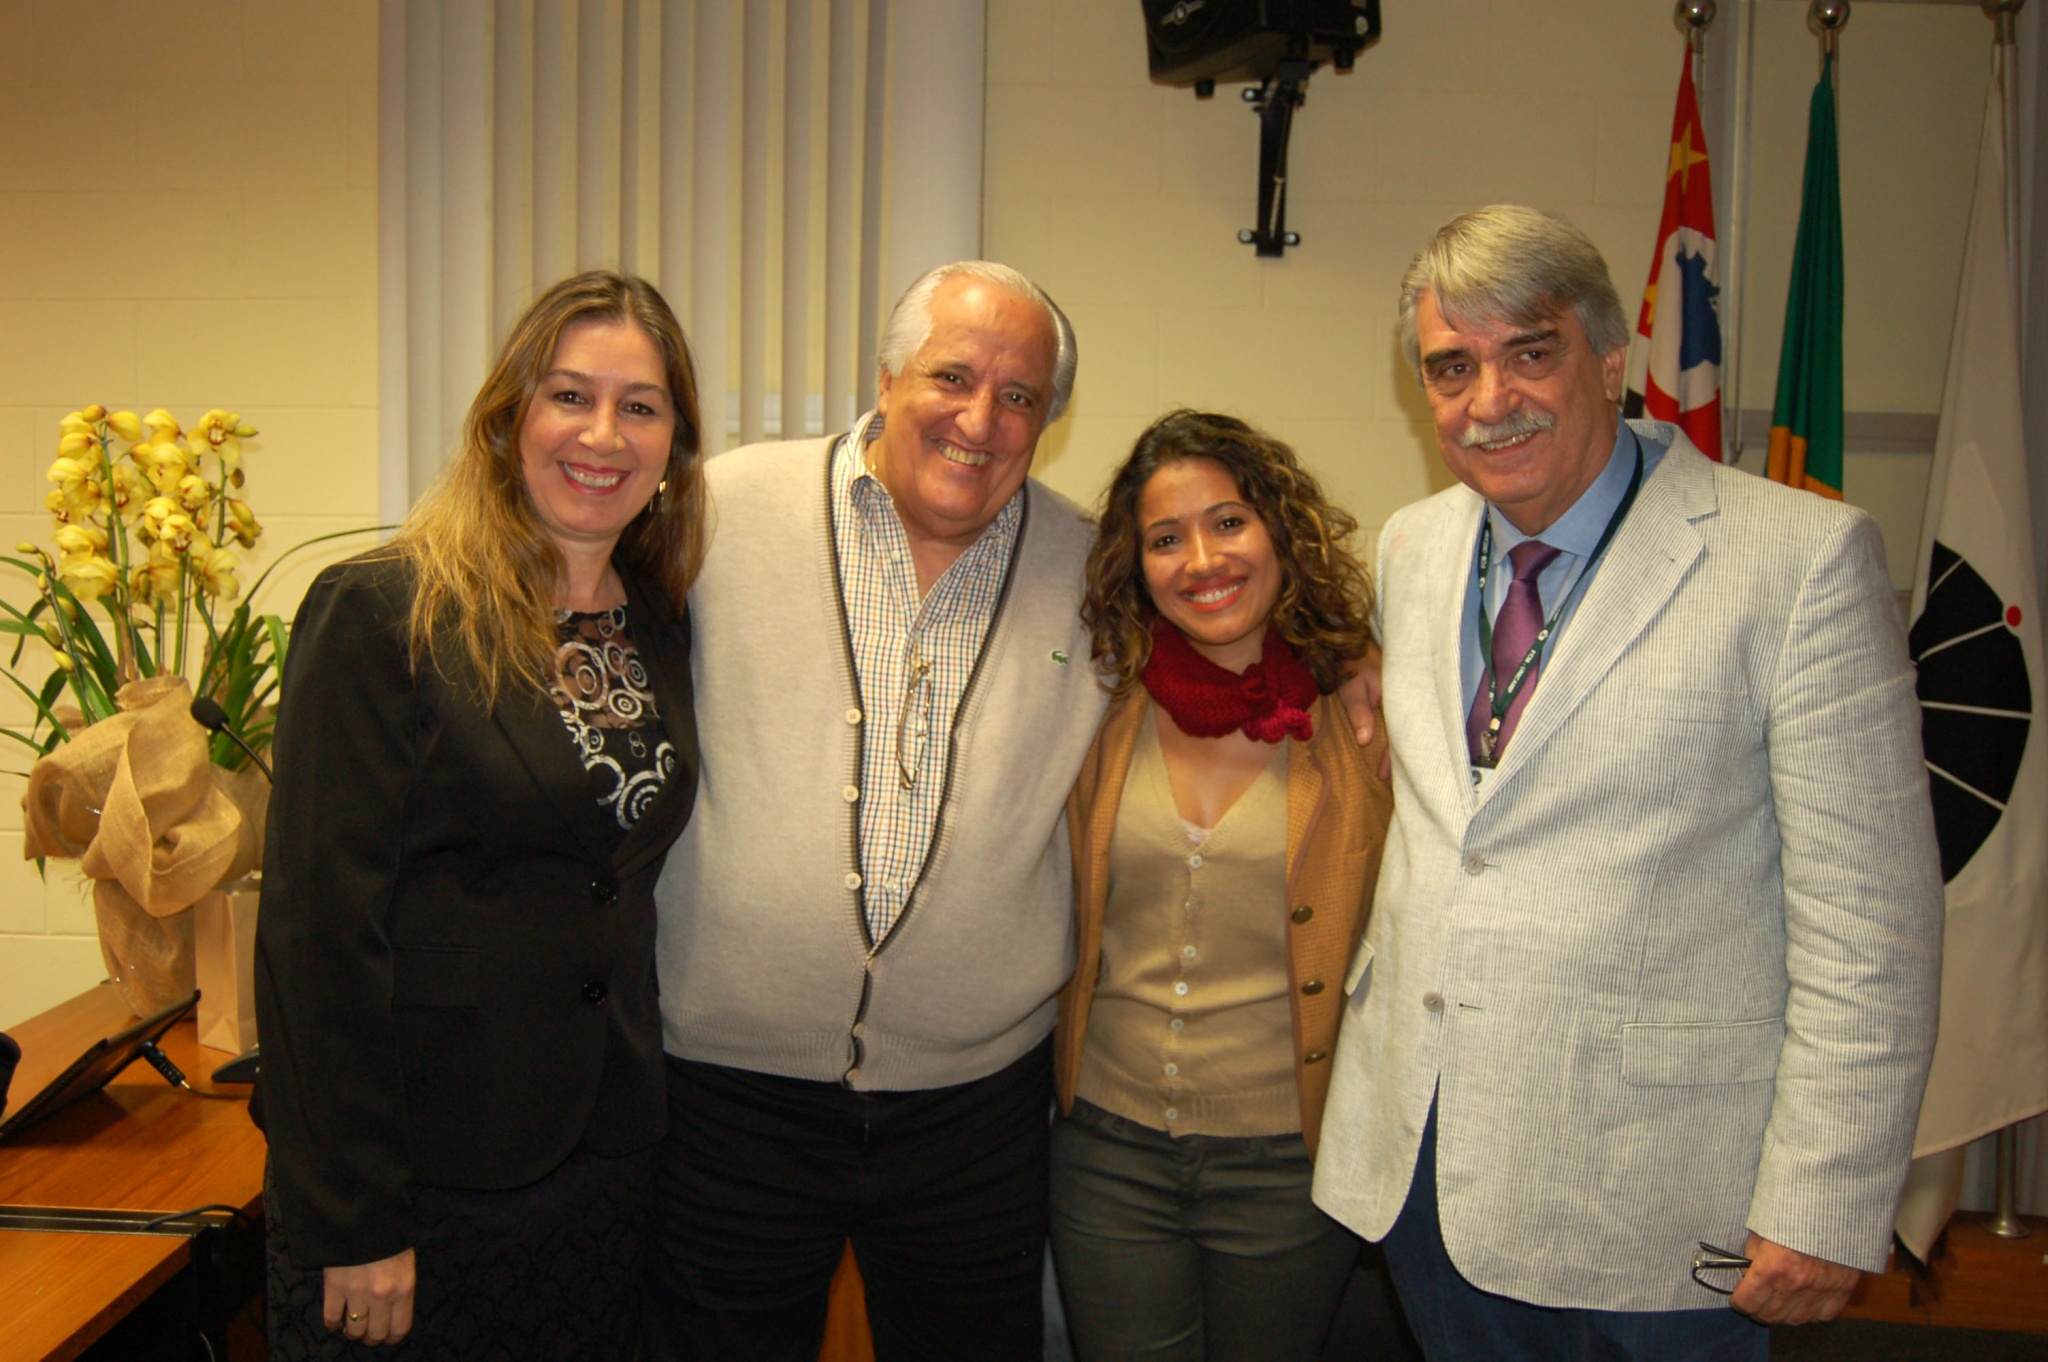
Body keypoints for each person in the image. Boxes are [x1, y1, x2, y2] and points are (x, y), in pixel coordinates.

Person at [1310, 205, 1944, 1361]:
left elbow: (1872, 923)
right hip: (1424, 1169)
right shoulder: (1411, 548)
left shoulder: (1797, 562)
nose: (1485, 399)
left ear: (1610, 360)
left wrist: (1824, 1199)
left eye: (1527, 353)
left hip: (1654, 1199)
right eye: (1449, 368)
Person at [253, 270, 706, 1357]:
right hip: (419, 1183)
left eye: (639, 407)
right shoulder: (385, 613)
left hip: (603, 1164)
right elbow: (318, 940)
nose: (602, 434)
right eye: (569, 396)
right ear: (507, 420)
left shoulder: (657, 624)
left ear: (673, 448)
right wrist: (352, 1216)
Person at [1052, 410, 1393, 1362]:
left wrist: (1364, 654)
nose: (1202, 559)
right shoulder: (1100, 706)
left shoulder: (1365, 718)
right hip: (1107, 1151)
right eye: (1166, 538)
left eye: (1230, 521)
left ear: (1283, 532)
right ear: (1138, 565)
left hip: (1288, 1161)